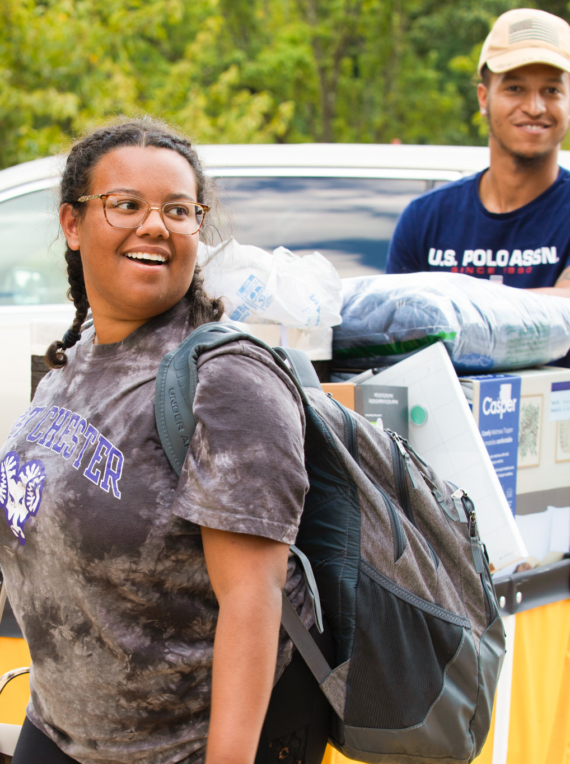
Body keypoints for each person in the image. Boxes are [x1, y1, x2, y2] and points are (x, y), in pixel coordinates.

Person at [0, 119, 333, 764]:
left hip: (177, 748)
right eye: (126, 204)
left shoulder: (227, 379)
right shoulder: (74, 361)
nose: (154, 225)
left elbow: (252, 598)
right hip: (62, 730)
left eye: (178, 210)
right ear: (73, 224)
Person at [386, 7, 570, 303]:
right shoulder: (425, 219)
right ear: (484, 98)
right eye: (514, 88)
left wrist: (447, 306)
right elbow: (393, 331)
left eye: (551, 90)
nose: (535, 107)